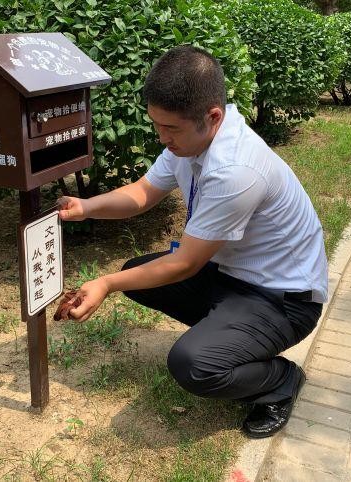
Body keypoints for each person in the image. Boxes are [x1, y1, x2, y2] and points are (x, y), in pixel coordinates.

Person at [57, 45, 328, 438]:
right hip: (230, 275)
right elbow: (144, 192)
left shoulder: (236, 169)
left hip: (282, 299)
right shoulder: (190, 138)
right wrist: (86, 207)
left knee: (193, 365)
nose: (162, 138)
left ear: (212, 116)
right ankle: (231, 335)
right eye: (156, 125)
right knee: (137, 274)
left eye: (171, 129)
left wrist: (105, 284)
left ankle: (280, 380)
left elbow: (185, 264)